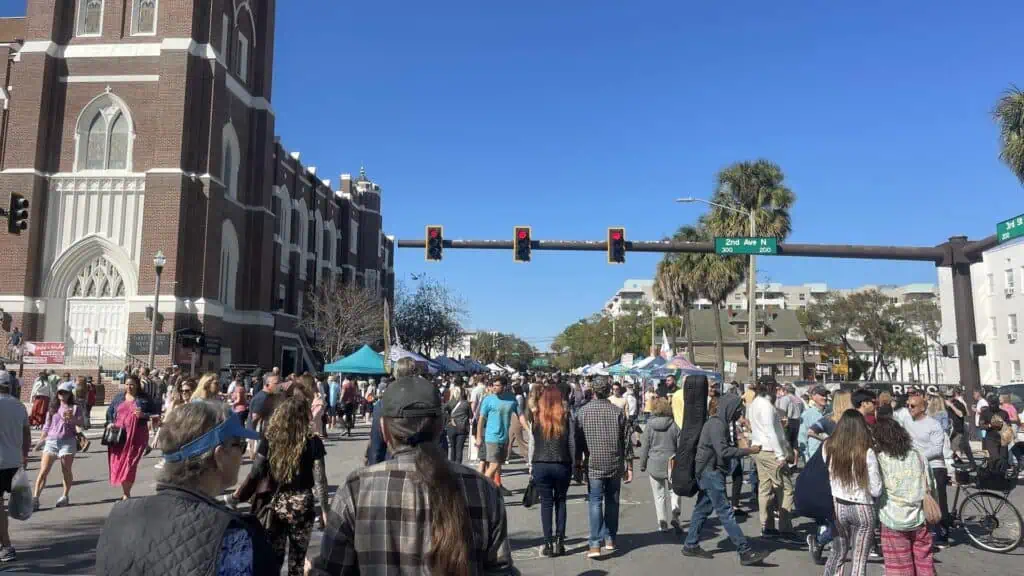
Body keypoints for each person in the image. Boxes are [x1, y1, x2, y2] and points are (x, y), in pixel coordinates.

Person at [308, 376, 518, 576]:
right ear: (441, 425)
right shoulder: (481, 489)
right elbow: (500, 570)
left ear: (384, 428)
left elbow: (333, 568)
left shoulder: (357, 489)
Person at [95, 401, 280, 576]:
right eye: (239, 444)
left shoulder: (118, 516)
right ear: (219, 455)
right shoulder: (235, 536)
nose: (242, 452)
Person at [231, 397, 328, 576]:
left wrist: (239, 495)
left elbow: (256, 471)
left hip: (276, 503)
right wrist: (324, 509)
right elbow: (320, 479)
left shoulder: (270, 439)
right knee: (298, 560)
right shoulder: (313, 441)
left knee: (274, 557)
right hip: (302, 504)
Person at [682, 393, 769, 566]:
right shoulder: (716, 424)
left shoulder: (719, 423)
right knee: (725, 512)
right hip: (710, 473)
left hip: (710, 472)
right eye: (738, 410)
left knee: (702, 509)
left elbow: (721, 450)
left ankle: (690, 545)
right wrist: (748, 451)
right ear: (730, 408)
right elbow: (723, 451)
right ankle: (744, 551)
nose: (740, 413)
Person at [575, 377, 632, 558]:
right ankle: (610, 538)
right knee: (612, 501)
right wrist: (629, 465)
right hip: (614, 462)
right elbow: (626, 441)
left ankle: (594, 544)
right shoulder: (617, 412)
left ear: (593, 391)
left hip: (593, 463)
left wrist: (577, 462)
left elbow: (577, 441)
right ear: (608, 391)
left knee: (595, 501)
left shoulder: (583, 412)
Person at [873, 416, 937, 576]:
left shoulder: (880, 460)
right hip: (920, 516)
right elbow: (931, 484)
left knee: (899, 567)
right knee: (925, 562)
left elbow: (876, 489)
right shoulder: (918, 455)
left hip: (892, 517)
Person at [822, 409, 882, 576]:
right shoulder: (866, 452)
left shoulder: (829, 446)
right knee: (859, 558)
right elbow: (876, 489)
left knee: (838, 551)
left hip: (838, 504)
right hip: (863, 506)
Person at [527, 383, 576, 557]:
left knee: (546, 503)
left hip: (540, 462)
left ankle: (547, 542)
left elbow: (532, 443)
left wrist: (530, 464)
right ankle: (559, 541)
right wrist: (574, 462)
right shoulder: (566, 416)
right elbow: (571, 442)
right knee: (561, 501)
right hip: (562, 462)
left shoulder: (536, 417)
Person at [748, 378, 797, 539]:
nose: (776, 390)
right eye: (775, 387)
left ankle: (766, 525)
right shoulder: (766, 406)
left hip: (758, 449)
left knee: (765, 488)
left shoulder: (754, 404)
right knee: (786, 488)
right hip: (770, 450)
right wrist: (780, 454)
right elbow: (770, 431)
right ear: (770, 388)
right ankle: (785, 528)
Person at [905, 393, 953, 547]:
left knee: (938, 502)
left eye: (912, 406)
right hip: (915, 468)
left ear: (922, 407)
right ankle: (920, 533)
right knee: (917, 501)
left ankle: (943, 533)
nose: (909, 408)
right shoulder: (906, 422)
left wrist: (918, 457)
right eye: (908, 405)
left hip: (934, 467)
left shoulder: (933, 424)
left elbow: (937, 449)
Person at [32, 382, 84, 510]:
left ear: (69, 394)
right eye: (60, 392)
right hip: (51, 441)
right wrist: (41, 441)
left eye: (65, 392)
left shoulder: (75, 408)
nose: (62, 394)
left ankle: (65, 496)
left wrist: (72, 419)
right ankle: (35, 498)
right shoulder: (53, 407)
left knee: (66, 470)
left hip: (68, 441)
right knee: (43, 471)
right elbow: (47, 425)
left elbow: (81, 423)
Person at [106, 375, 158, 500]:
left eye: (132, 384)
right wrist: (109, 423)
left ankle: (126, 493)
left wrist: (143, 415)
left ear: (137, 385)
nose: (129, 387)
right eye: (127, 384)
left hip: (137, 435)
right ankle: (125, 491)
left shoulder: (145, 399)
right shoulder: (119, 397)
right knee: (118, 462)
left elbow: (156, 415)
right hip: (119, 435)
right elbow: (109, 412)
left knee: (130, 463)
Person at [475, 376, 527, 496]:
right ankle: (480, 490)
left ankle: (491, 488)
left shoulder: (511, 399)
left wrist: (528, 429)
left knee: (498, 465)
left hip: (504, 438)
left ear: (504, 386)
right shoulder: (488, 400)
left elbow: (520, 415)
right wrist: (478, 437)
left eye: (497, 385)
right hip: (491, 437)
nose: (494, 387)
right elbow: (481, 419)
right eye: (493, 385)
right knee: (494, 464)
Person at [639, 397, 682, 533]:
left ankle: (662, 522)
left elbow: (645, 446)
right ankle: (675, 512)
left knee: (659, 495)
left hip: (654, 463)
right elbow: (680, 446)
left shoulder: (649, 426)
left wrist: (642, 464)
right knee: (674, 491)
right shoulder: (674, 425)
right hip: (671, 463)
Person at [0, 375, 30, 563]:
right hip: (13, 462)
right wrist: (24, 458)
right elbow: (26, 435)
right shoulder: (19, 406)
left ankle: (6, 544)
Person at [799, 386, 829, 462]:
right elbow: (802, 437)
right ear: (813, 397)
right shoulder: (807, 414)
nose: (825, 397)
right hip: (814, 455)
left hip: (830, 455)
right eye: (822, 395)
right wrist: (806, 456)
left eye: (826, 395)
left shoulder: (831, 413)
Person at [445, 385, 471, 463]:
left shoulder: (449, 403)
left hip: (451, 427)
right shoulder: (466, 403)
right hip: (462, 427)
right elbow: (471, 415)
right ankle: (459, 467)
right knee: (459, 448)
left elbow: (442, 411)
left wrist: (449, 418)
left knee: (452, 447)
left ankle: (452, 467)